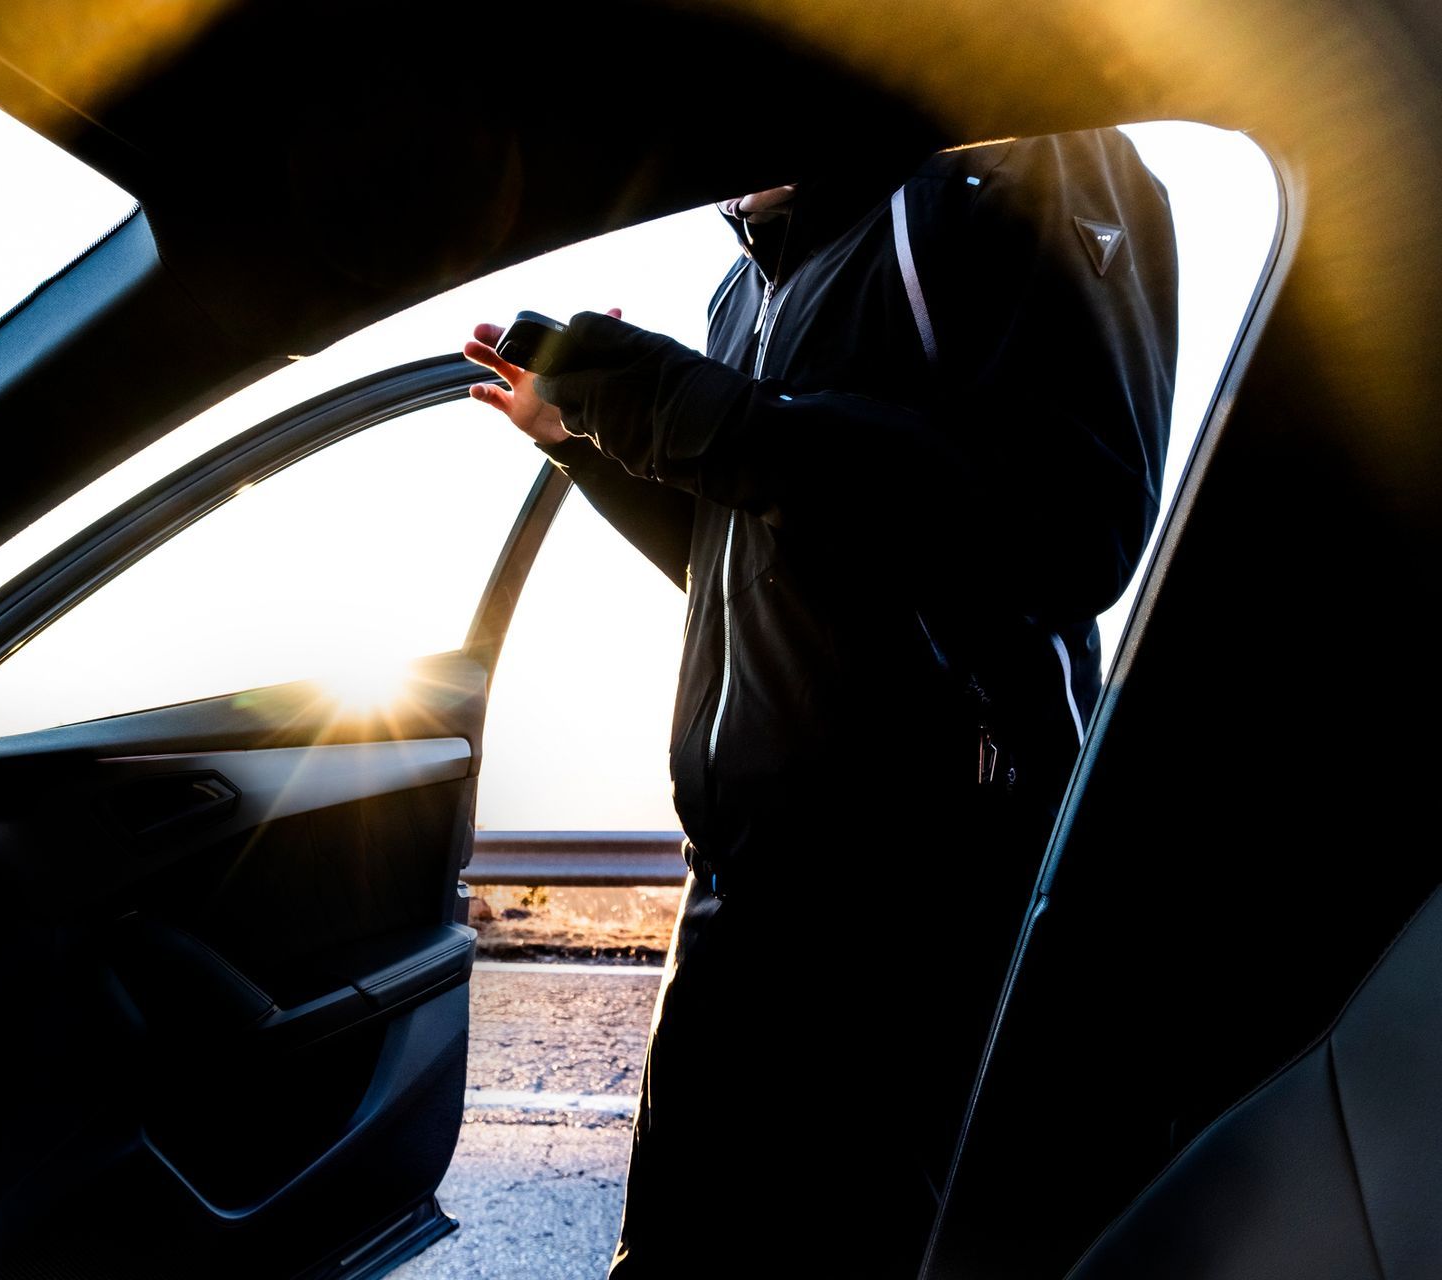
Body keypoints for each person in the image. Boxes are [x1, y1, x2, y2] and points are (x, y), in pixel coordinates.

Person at [463, 127, 1179, 1275]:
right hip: (735, 890)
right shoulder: (742, 279)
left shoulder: (1017, 165)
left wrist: (688, 411)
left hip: (919, 902)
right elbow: (752, 556)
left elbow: (1070, 526)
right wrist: (594, 439)